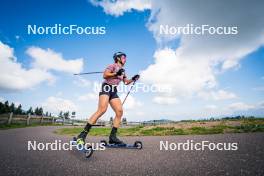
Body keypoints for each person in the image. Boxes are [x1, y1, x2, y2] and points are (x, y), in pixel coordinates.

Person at [76, 52, 140, 145]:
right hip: (106, 87)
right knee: (102, 110)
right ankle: (82, 135)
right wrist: (116, 73)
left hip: (113, 90)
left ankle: (112, 137)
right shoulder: (112, 66)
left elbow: (126, 82)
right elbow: (105, 75)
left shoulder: (123, 70)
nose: (125, 59)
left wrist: (133, 79)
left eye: (125, 58)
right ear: (118, 58)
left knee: (119, 111)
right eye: (123, 57)